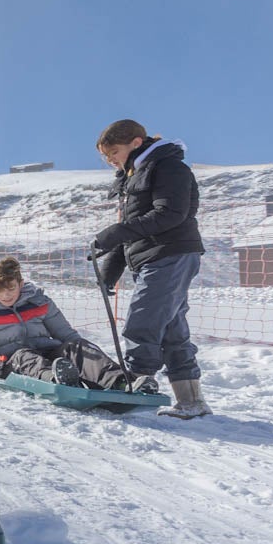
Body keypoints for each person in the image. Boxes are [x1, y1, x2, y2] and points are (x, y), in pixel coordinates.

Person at [91, 118, 210, 418]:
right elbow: (131, 230)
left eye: (113, 152)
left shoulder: (168, 167)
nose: (110, 161)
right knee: (171, 329)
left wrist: (115, 233)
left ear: (135, 143)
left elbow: (170, 214)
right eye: (106, 157)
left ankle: (134, 388)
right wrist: (111, 270)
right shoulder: (133, 177)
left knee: (143, 319)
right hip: (154, 257)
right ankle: (190, 400)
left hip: (171, 253)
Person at [0, 257, 154, 393]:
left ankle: (122, 382)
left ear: (20, 283)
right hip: (12, 361)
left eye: (11, 288)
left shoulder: (39, 302)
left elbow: (66, 334)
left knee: (76, 347)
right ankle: (59, 381)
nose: (6, 295)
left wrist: (83, 353)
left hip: (50, 353)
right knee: (24, 356)